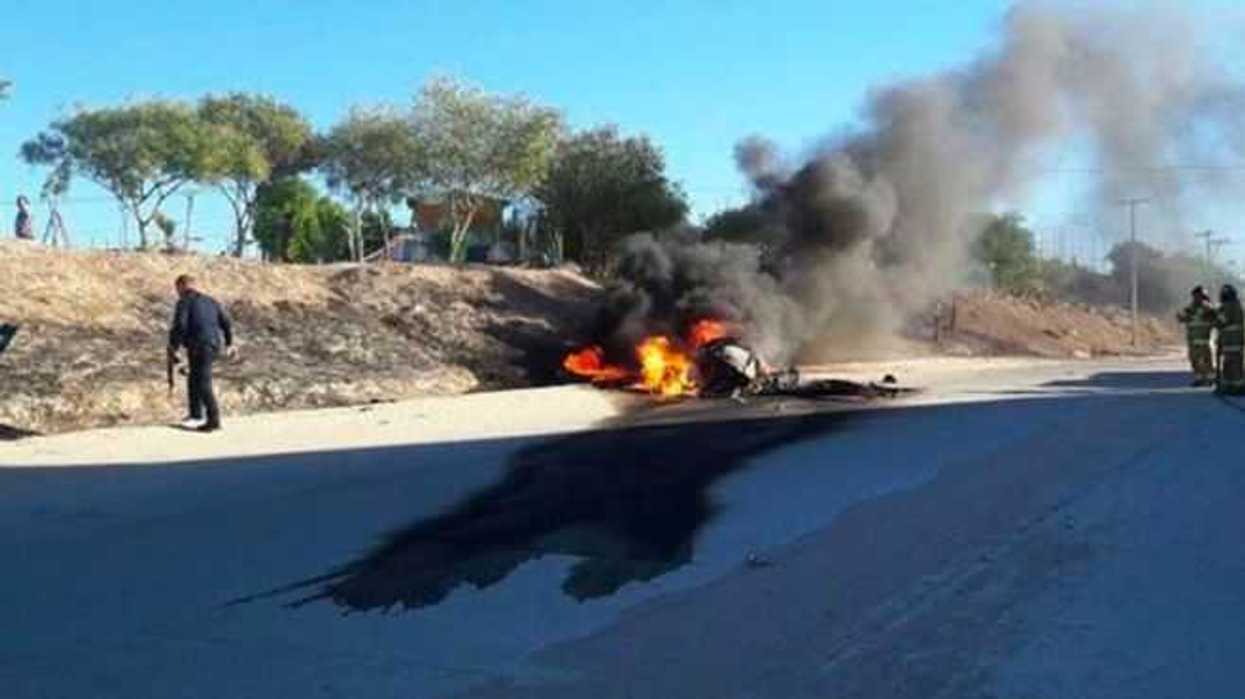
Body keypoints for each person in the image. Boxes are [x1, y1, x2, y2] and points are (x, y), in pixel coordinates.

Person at [168, 274, 235, 432]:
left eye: (177, 288)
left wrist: (174, 347)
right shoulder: (211, 301)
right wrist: (230, 343)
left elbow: (180, 324)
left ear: (181, 286)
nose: (177, 292)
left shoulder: (184, 301)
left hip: (200, 345)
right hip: (212, 344)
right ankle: (195, 414)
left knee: (203, 381)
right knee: (194, 377)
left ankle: (214, 420)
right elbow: (226, 322)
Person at [1176, 285, 1217, 386]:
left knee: (1206, 360)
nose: (1196, 298)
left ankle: (1210, 379)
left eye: (1198, 296)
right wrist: (1180, 316)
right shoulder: (1190, 308)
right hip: (1193, 340)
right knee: (1194, 360)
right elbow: (1181, 318)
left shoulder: (1208, 308)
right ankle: (1199, 379)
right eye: (1195, 296)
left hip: (1204, 339)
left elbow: (1215, 319)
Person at [1215, 284, 1244, 395]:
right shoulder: (1235, 305)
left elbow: (1222, 322)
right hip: (1232, 340)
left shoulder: (1229, 306)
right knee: (1231, 364)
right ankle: (1231, 385)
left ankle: (1237, 387)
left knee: (1233, 365)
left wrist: (1216, 315)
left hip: (1232, 341)